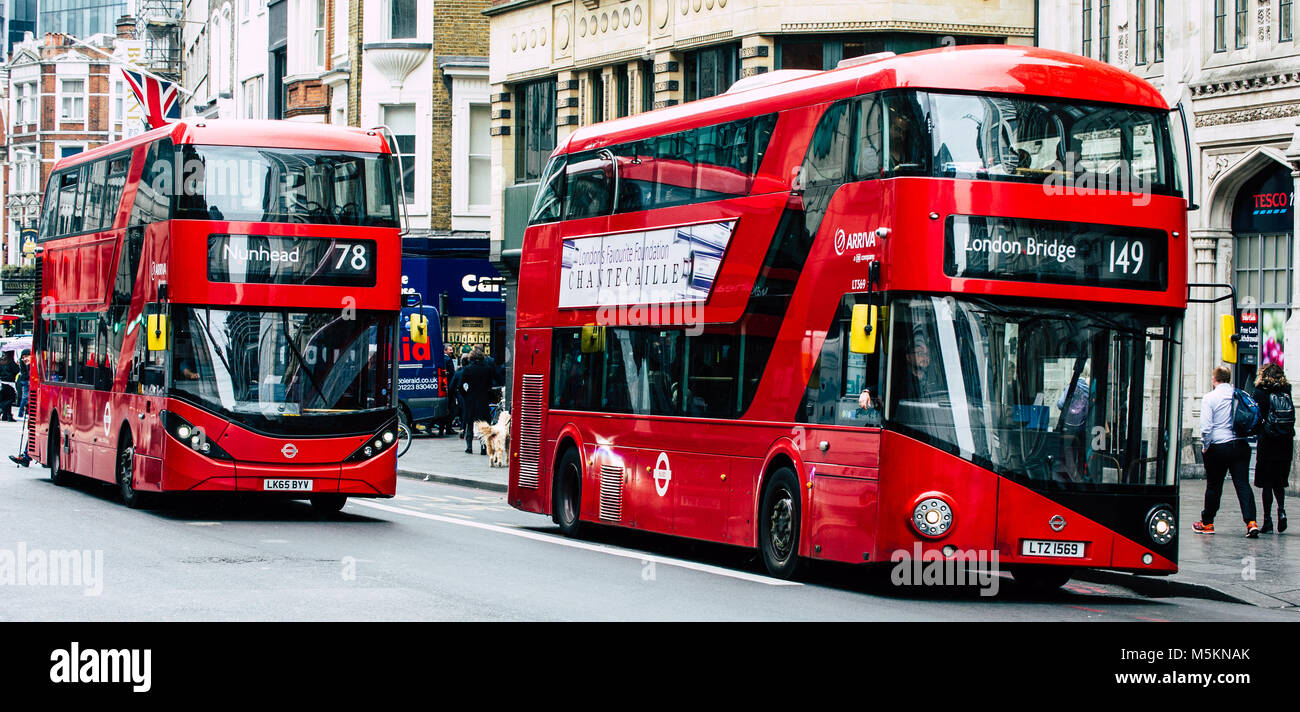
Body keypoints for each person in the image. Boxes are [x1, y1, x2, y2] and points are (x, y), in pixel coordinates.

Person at [1193, 365, 1260, 537]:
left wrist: (1205, 445)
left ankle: (1207, 522)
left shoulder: (1210, 398)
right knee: (1242, 484)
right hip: (1240, 446)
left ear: (1214, 379)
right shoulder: (1238, 394)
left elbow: (1206, 428)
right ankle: (1251, 522)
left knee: (1214, 486)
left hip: (1218, 446)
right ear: (1229, 379)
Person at [1252, 363, 1291, 534]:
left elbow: (1255, 416)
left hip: (1268, 441)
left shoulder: (1260, 392)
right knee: (1279, 482)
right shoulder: (1286, 390)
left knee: (1267, 484)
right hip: (1285, 442)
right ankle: (1281, 510)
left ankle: (1267, 520)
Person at [459, 348, 496, 455]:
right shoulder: (487, 369)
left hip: (470, 399)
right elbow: (490, 385)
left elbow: (461, 385)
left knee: (469, 424)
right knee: (483, 424)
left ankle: (469, 447)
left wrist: (466, 395)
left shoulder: (467, 369)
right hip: (483, 399)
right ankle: (483, 447)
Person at [0, 351, 19, 422]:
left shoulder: (1, 361)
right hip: (10, 382)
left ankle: (6, 415)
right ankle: (2, 409)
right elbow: (17, 370)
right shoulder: (11, 362)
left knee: (4, 398)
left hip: (2, 382)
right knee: (10, 399)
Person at [15, 351, 30, 419]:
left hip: (23, 380)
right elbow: (28, 372)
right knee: (25, 397)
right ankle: (20, 413)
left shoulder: (22, 361)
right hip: (26, 380)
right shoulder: (26, 362)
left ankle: (24, 412)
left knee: (26, 397)